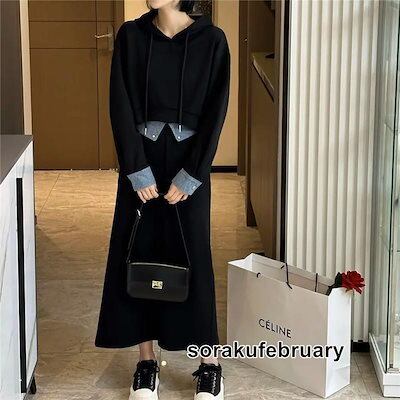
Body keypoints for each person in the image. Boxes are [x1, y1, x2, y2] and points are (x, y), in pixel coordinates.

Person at [95, 1, 230, 399]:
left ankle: (210, 365)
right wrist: (135, 169)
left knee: (194, 258)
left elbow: (215, 113)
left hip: (189, 163)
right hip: (142, 160)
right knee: (137, 256)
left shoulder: (213, 41)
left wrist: (193, 175)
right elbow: (119, 104)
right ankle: (146, 362)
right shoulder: (131, 36)